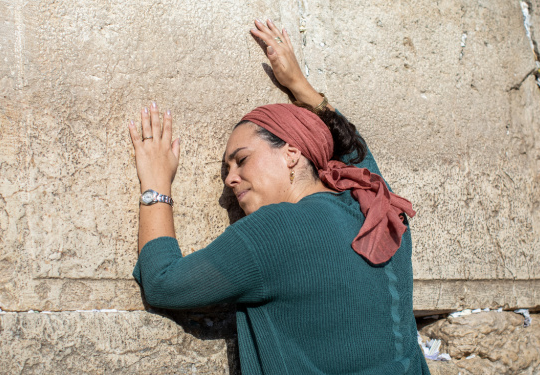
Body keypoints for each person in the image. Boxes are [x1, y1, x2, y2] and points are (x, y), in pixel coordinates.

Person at [127, 19, 430, 375]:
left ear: (291, 153)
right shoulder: (379, 209)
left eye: (241, 160)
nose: (232, 179)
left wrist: (156, 184)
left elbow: (163, 283)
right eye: (227, 171)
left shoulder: (274, 230)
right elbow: (355, 150)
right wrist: (300, 86)